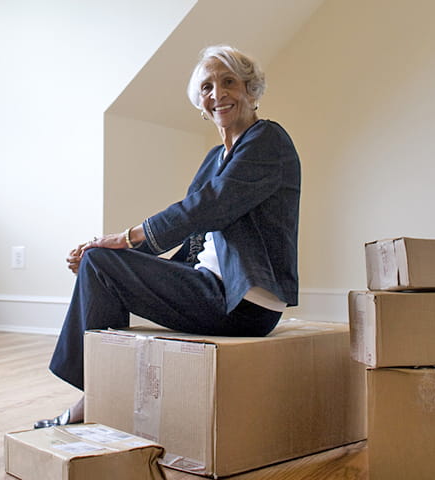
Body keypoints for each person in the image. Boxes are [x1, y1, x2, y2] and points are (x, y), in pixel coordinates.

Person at [35, 45, 302, 428]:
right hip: (209, 287)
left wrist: (127, 240)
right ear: (201, 102)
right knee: (99, 263)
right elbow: (194, 231)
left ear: (251, 90)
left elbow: (208, 206)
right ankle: (99, 393)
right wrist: (120, 264)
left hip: (244, 303)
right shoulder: (215, 156)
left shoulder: (268, 141)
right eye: (207, 87)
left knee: (105, 261)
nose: (218, 94)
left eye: (229, 82)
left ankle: (97, 397)